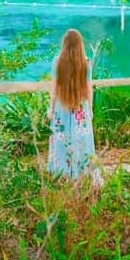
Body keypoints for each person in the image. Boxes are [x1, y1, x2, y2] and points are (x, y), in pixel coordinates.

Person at [47, 28, 95, 179]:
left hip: (62, 106)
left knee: (61, 139)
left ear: (65, 44)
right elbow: (88, 89)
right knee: (81, 139)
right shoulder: (86, 63)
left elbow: (54, 89)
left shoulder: (57, 62)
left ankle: (61, 172)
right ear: (80, 44)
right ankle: (81, 171)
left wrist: (51, 108)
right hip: (81, 107)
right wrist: (91, 109)